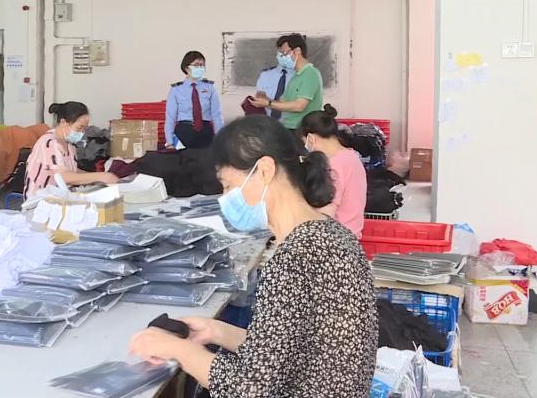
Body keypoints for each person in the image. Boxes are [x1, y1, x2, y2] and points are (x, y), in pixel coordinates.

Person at [128, 115, 377, 398]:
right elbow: (287, 351)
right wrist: (217, 332)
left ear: (264, 170)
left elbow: (249, 387)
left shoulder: (295, 257)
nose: (224, 198)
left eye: (227, 185)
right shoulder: (331, 233)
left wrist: (178, 350)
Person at [24, 102, 119, 198]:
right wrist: (100, 176)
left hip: (58, 196)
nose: (82, 133)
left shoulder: (69, 145)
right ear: (63, 123)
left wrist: (98, 178)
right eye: (79, 128)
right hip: (39, 200)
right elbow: (63, 177)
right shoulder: (49, 143)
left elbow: (72, 170)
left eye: (84, 129)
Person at [300, 105, 367, 237]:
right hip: (351, 233)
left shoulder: (334, 165)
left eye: (305, 143)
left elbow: (327, 212)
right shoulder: (351, 156)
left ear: (311, 139)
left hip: (337, 237)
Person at [250, 34, 323, 132]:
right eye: (280, 54)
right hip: (289, 127)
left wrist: (268, 103)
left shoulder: (310, 73)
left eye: (284, 53)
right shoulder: (296, 76)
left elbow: (299, 106)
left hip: (302, 130)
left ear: (297, 51)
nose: (281, 57)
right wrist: (264, 101)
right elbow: (283, 103)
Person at [165, 51, 223, 149]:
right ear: (186, 68)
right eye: (196, 65)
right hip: (184, 131)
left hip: (205, 132)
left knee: (205, 158)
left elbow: (217, 115)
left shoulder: (210, 87)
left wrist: (220, 139)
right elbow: (170, 117)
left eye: (202, 65)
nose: (200, 68)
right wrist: (170, 142)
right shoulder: (176, 90)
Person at [255, 48, 289, 120]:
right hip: (267, 122)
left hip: (292, 124)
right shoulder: (265, 75)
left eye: (287, 52)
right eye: (281, 51)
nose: (284, 55)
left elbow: (298, 105)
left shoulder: (301, 76)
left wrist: (269, 102)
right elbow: (260, 99)